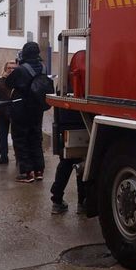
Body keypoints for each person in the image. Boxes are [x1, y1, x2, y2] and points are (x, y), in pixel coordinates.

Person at [48, 49, 86, 213]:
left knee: (66, 163)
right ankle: (82, 203)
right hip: (83, 125)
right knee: (82, 165)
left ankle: (57, 200)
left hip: (66, 125)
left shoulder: (64, 80)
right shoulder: (86, 79)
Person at [7, 40, 48, 183]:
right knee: (36, 139)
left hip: (21, 109)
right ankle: (39, 171)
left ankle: (27, 173)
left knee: (21, 139)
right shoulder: (43, 67)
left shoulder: (21, 69)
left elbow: (8, 83)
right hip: (37, 109)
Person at [0, 57, 18, 167]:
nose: (11, 70)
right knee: (2, 135)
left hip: (16, 113)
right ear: (5, 69)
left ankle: (19, 157)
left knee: (16, 136)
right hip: (2, 112)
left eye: (13, 68)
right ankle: (3, 156)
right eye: (9, 68)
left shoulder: (19, 82)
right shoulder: (0, 81)